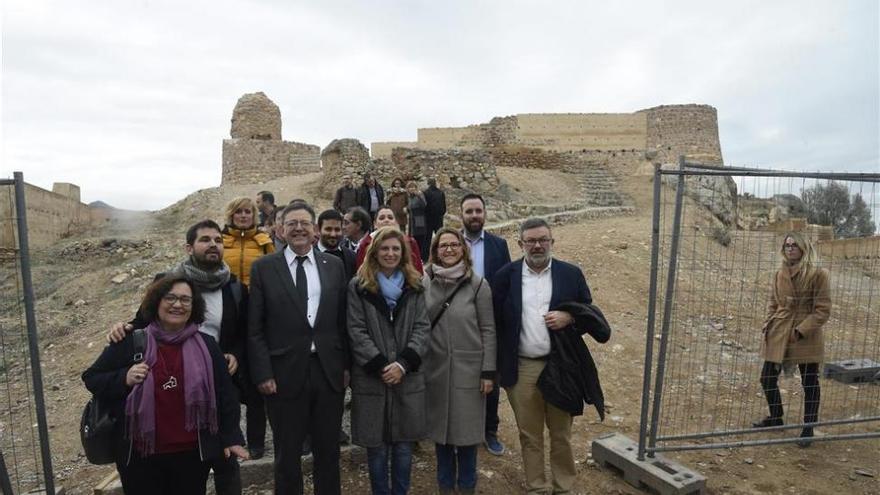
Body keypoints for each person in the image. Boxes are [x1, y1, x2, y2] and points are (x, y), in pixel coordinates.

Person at [104, 220, 262, 493]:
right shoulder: (167, 283)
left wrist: (235, 354)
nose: (213, 244)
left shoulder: (233, 287)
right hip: (175, 388)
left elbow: (242, 332)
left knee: (226, 463)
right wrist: (124, 328)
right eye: (205, 240)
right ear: (190, 247)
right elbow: (144, 320)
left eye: (217, 240)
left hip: (217, 384)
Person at [83, 275, 247, 495]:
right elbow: (92, 378)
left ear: (194, 306)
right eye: (170, 298)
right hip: (140, 456)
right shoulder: (131, 342)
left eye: (185, 300)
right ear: (156, 302)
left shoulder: (207, 346)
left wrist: (232, 437)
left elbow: (226, 394)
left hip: (192, 456)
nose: (178, 304)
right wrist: (124, 378)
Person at [248, 202, 349, 495]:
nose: (299, 228)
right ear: (280, 230)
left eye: (305, 223)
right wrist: (263, 373)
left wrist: (345, 367)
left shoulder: (335, 266)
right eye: (291, 223)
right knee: (287, 453)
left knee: (328, 451)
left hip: (327, 372)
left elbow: (343, 323)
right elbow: (255, 329)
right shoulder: (264, 268)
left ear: (315, 230)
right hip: (283, 374)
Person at [491, 218, 594, 494]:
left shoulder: (571, 274)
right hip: (522, 369)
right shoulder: (505, 276)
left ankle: (564, 487)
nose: (537, 246)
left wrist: (570, 317)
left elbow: (589, 313)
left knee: (561, 434)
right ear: (520, 244)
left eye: (542, 240)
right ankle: (537, 487)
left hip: (560, 367)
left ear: (552, 241)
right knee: (530, 435)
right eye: (531, 241)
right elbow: (496, 323)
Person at [347, 227, 430, 495]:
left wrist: (403, 364)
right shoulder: (358, 286)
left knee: (404, 447)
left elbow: (422, 328)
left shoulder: (414, 285)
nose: (390, 253)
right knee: (377, 449)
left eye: (395, 248)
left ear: (403, 253)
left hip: (406, 377)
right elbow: (356, 330)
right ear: (374, 252)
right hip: (373, 377)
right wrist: (382, 365)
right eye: (384, 248)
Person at [422, 227, 496, 495]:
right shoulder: (424, 281)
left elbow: (488, 328)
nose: (449, 249)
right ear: (435, 251)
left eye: (454, 244)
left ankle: (466, 487)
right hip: (435, 369)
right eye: (443, 246)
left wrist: (488, 371)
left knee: (466, 437)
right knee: (440, 435)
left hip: (469, 370)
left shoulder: (477, 284)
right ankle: (444, 486)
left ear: (463, 249)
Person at [754, 232, 831, 448]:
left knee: (809, 382)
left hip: (804, 334)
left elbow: (822, 310)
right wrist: (768, 321)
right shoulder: (780, 272)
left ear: (804, 248)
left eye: (794, 245)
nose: (790, 248)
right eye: (787, 245)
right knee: (767, 377)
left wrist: (801, 330)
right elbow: (773, 301)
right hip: (779, 329)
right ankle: (776, 417)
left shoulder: (818, 274)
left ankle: (808, 428)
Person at [460, 193, 511, 456]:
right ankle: (463, 428)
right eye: (469, 211)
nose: (474, 216)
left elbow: (505, 284)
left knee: (490, 376)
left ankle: (489, 430)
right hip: (458, 323)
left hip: (489, 323)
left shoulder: (499, 245)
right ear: (461, 215)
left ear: (485, 213)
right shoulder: (449, 242)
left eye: (478, 211)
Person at [222, 197, 275, 287]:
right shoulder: (220, 240)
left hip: (256, 296)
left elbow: (273, 273)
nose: (243, 215)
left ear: (253, 216)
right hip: (227, 297)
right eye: (238, 212)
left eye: (247, 212)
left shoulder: (265, 242)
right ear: (231, 215)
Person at [355, 206, 424, 274]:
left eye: (390, 218)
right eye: (382, 218)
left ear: (396, 222)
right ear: (375, 224)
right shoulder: (365, 244)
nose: (386, 220)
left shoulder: (410, 242)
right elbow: (361, 273)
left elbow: (418, 272)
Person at [316, 209, 357, 285]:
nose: (333, 234)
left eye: (337, 229)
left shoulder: (351, 257)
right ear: (319, 230)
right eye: (328, 229)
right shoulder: (309, 255)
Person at [405, 181, 429, 262]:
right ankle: (414, 257)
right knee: (412, 239)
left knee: (420, 238)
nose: (412, 189)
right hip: (412, 220)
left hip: (419, 219)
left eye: (413, 187)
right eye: (410, 187)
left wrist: (418, 196)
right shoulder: (409, 197)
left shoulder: (419, 195)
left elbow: (424, 205)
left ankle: (421, 257)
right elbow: (410, 207)